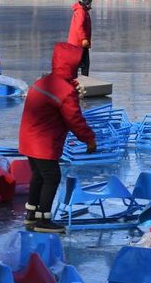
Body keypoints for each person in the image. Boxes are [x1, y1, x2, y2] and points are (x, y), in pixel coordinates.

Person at [19, 42, 97, 233]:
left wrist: (72, 88)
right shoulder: (65, 90)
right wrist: (89, 139)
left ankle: (32, 214)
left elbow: (57, 96)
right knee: (52, 177)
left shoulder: (43, 82)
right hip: (43, 143)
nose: (78, 69)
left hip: (28, 139)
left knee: (38, 175)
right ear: (70, 65)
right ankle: (44, 219)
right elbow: (74, 119)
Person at [67, 0, 92, 76]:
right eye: (90, 3)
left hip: (80, 42)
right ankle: (80, 79)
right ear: (88, 3)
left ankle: (80, 79)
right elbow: (79, 27)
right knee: (83, 63)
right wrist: (84, 39)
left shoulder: (83, 11)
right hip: (78, 42)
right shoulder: (81, 11)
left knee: (82, 63)